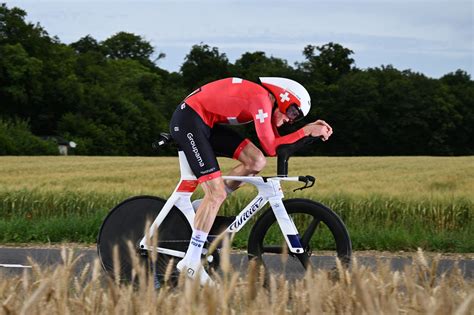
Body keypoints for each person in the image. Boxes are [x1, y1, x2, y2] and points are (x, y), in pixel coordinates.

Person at [169, 77, 333, 285]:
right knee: (216, 193)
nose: (291, 120)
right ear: (284, 98)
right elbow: (272, 146)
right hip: (189, 121)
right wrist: (306, 131)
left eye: (296, 118)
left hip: (203, 123)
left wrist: (306, 131)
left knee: (256, 161)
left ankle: (202, 208)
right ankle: (191, 262)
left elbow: (271, 149)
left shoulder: (265, 101)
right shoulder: (261, 100)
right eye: (293, 112)